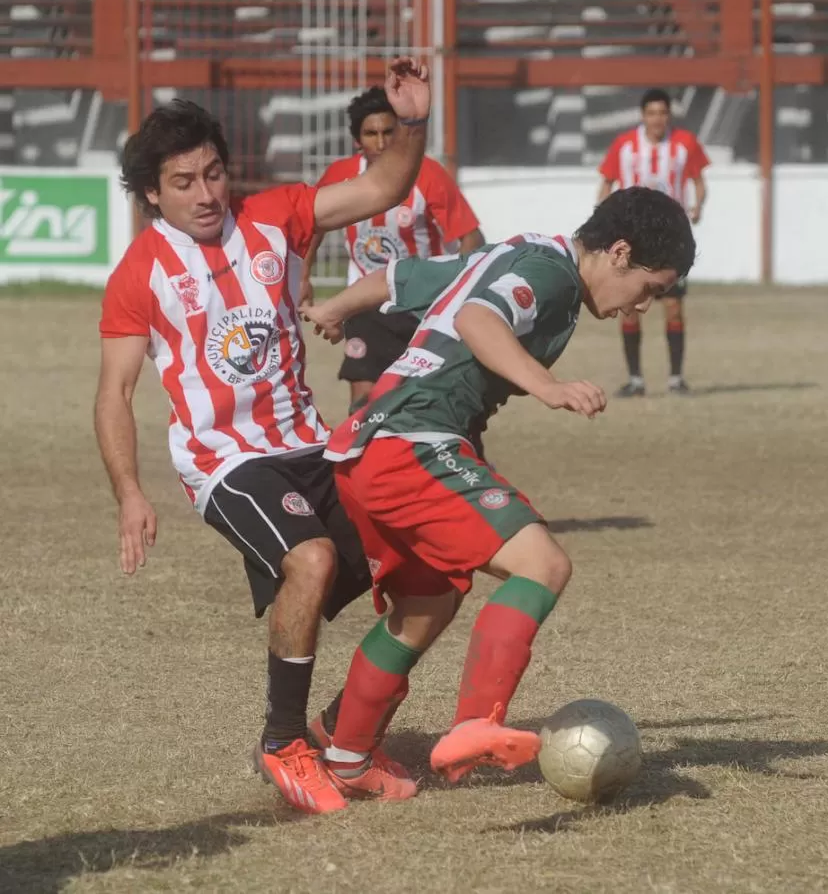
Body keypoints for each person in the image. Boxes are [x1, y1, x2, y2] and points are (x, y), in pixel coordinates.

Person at [93, 58, 431, 815]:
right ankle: (284, 742)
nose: (207, 194)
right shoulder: (140, 273)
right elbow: (113, 394)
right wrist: (129, 493)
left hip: (311, 444)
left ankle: (346, 740)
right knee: (308, 561)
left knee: (424, 570)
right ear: (152, 193)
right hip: (226, 462)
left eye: (213, 174)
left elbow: (382, 188)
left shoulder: (276, 216)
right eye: (184, 183)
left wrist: (411, 124)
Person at [299, 187, 696, 801]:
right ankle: (475, 722)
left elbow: (403, 276)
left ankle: (345, 752)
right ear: (620, 252)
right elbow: (476, 319)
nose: (641, 306)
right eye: (649, 288)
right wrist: (547, 385)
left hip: (366, 447)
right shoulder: (552, 276)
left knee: (425, 607)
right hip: (413, 441)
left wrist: (334, 309)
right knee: (544, 565)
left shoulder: (515, 253)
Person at [300, 86, 485, 413]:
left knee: (431, 401)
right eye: (371, 134)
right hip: (364, 305)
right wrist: (303, 276)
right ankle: (361, 460)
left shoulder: (428, 174)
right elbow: (311, 226)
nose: (381, 142)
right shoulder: (340, 176)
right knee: (363, 397)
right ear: (357, 140)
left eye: (388, 131)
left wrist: (462, 286)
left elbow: (470, 236)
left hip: (421, 304)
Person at [597, 88, 710, 396]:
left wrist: (699, 205)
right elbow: (606, 183)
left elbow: (699, 182)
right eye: (652, 113)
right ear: (643, 115)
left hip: (671, 239)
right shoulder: (624, 146)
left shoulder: (684, 144)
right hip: (633, 240)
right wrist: (605, 222)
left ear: (668, 115)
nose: (657, 119)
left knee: (673, 306)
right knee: (630, 306)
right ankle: (635, 380)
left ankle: (675, 378)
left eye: (662, 113)